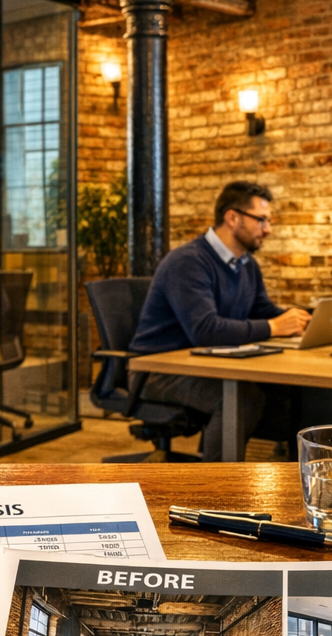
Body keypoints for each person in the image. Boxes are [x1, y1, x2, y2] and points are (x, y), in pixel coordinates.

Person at [128, 181, 311, 459]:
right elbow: (206, 331)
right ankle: (217, 488)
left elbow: (262, 311)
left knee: (287, 393)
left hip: (206, 365)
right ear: (232, 218)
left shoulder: (247, 265)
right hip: (159, 370)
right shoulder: (188, 262)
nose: (268, 229)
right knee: (239, 399)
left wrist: (298, 321)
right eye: (261, 220)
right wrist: (275, 327)